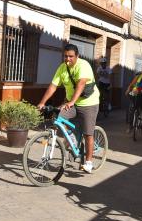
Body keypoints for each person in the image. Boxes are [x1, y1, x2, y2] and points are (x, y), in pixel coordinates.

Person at [38, 44, 99, 173]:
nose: (67, 59)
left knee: (88, 133)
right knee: (57, 116)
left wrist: (72, 101)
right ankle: (72, 138)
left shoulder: (84, 65)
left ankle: (88, 162)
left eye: (71, 56)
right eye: (65, 56)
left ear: (77, 56)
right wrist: (42, 102)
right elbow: (53, 86)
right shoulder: (62, 68)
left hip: (89, 103)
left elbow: (81, 84)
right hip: (72, 103)